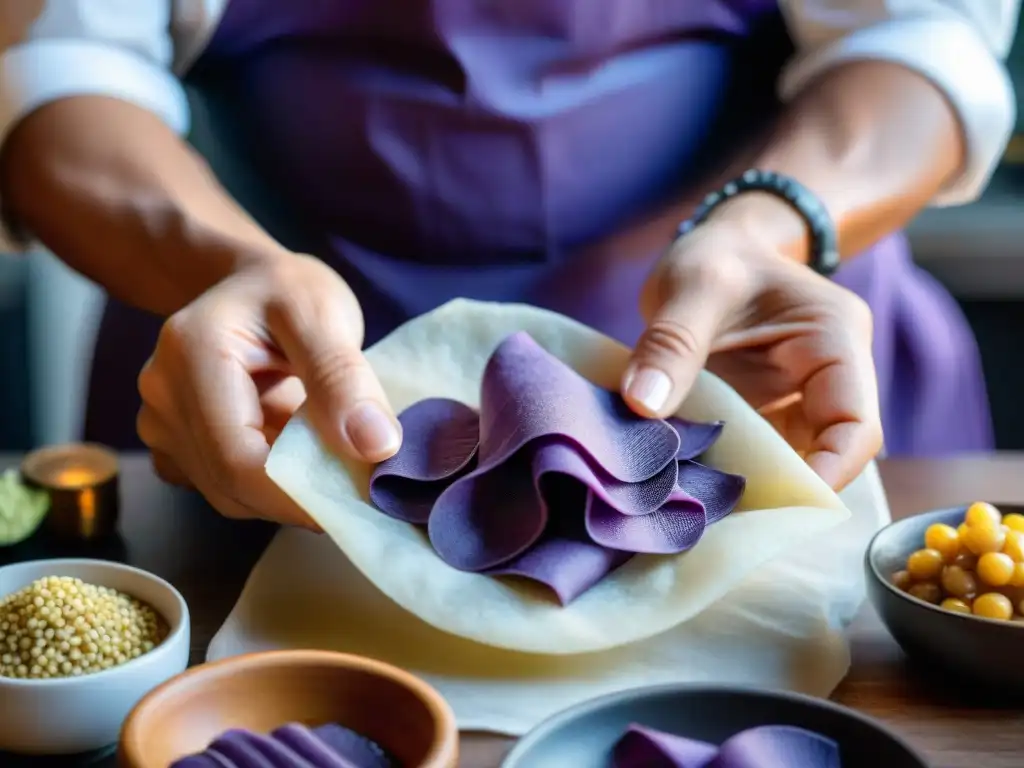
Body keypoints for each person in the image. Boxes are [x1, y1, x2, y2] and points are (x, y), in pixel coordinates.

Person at [0, 1, 1017, 528]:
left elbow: (916, 33)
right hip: (273, 406)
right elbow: (59, 64)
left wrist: (765, 228)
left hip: (760, 375)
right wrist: (218, 268)